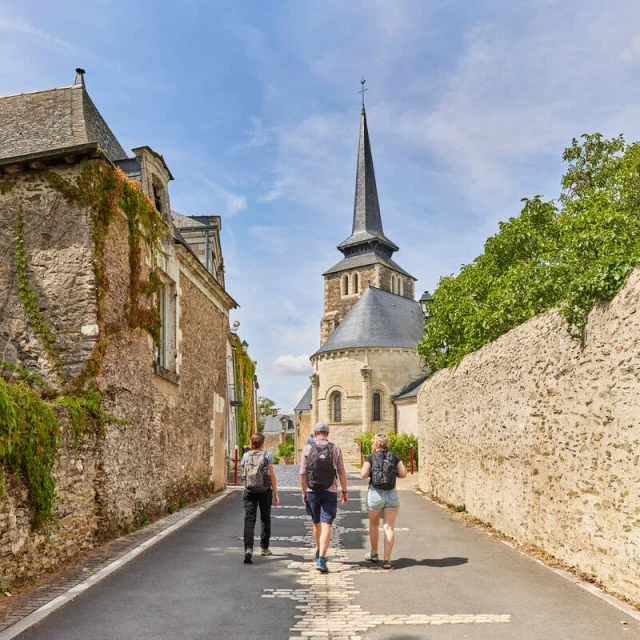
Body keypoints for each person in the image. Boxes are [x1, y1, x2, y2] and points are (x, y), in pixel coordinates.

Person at [299, 422, 348, 574]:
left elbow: (302, 474)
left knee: (316, 522)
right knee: (327, 523)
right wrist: (344, 490)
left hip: (312, 490)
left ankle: (319, 549)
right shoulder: (335, 448)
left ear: (314, 432)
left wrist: (303, 492)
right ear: (328, 433)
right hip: (330, 490)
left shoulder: (307, 449)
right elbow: (341, 472)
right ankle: (322, 558)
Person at [360, 433, 407, 569]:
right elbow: (403, 473)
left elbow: (363, 474)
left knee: (374, 524)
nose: (371, 446)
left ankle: (374, 554)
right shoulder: (394, 457)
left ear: (378, 444)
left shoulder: (371, 457)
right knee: (389, 527)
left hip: (375, 494)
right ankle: (387, 560)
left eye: (372, 443)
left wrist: (372, 472)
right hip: (391, 494)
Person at [241, 432, 280, 564]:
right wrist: (276, 493)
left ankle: (248, 548)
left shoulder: (246, 455)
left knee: (249, 519)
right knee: (265, 518)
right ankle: (264, 548)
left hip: (249, 490)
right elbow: (272, 475)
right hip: (264, 490)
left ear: (252, 442)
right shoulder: (267, 455)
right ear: (262, 443)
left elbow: (243, 472)